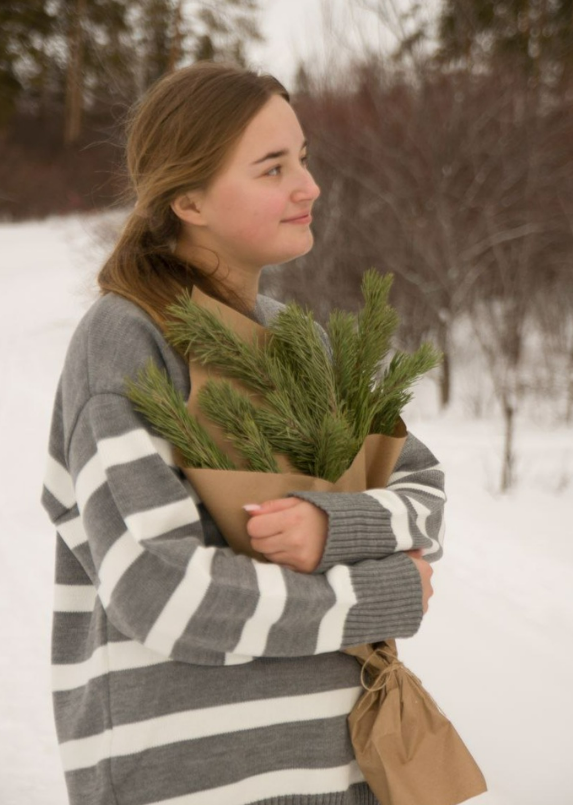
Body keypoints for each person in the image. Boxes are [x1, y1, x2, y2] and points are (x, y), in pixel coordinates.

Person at [41, 61, 444, 805]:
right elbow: (156, 588)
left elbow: (421, 493)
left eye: (304, 157)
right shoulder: (124, 338)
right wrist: (379, 592)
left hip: (342, 773)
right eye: (272, 167)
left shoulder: (306, 343)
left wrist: (331, 527)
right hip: (193, 782)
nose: (308, 185)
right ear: (187, 197)